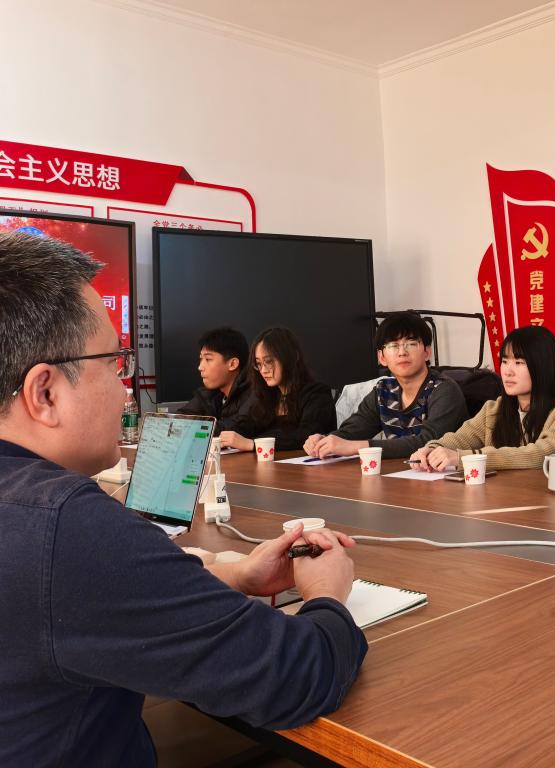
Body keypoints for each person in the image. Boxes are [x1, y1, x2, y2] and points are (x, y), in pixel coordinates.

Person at [0, 233, 366, 765]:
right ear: (45, 392)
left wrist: (234, 575)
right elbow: (296, 675)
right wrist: (327, 594)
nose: (126, 388)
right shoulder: (65, 527)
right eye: (114, 362)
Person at [410, 326, 555, 471]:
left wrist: (465, 458)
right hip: (500, 495)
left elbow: (543, 454)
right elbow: (461, 438)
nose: (508, 371)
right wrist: (433, 449)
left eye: (519, 362)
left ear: (543, 366)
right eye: (505, 361)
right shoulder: (495, 408)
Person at [305, 312, 468, 460]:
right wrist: (325, 441)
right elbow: (353, 431)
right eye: (393, 346)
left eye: (411, 344)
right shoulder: (383, 390)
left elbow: (429, 442)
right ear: (382, 357)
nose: (402, 352)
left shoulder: (444, 389)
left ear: (427, 352)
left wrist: (358, 448)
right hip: (399, 474)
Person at [220, 327, 336, 452]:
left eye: (268, 361)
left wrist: (252, 444)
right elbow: (245, 425)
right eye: (258, 364)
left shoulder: (317, 394)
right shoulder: (268, 396)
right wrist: (223, 436)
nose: (263, 370)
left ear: (291, 357)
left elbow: (306, 436)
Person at [177, 326, 253, 434]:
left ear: (232, 364)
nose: (200, 367)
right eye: (201, 359)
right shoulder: (210, 393)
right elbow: (179, 419)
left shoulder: (255, 394)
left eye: (208, 359)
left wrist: (191, 429)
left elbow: (235, 428)